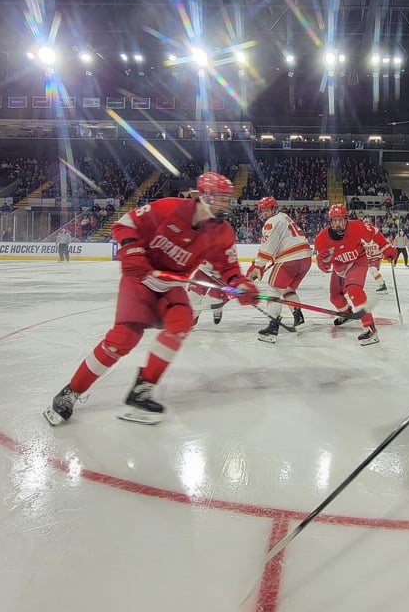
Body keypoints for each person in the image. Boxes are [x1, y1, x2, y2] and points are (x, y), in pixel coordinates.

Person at [43, 172, 259, 425]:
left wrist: (242, 285)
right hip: (140, 279)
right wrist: (133, 253)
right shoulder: (169, 208)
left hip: (170, 283)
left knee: (181, 323)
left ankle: (142, 390)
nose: (226, 204)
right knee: (124, 338)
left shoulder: (222, 233)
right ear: (204, 195)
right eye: (221, 199)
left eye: (227, 200)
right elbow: (124, 224)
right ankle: (71, 391)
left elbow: (229, 269)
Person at [313, 204, 397, 345]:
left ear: (346, 220)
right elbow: (323, 266)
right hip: (339, 268)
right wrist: (324, 262)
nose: (338, 224)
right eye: (335, 220)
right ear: (330, 221)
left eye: (341, 220)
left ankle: (370, 328)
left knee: (354, 290)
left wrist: (386, 248)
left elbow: (374, 233)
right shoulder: (322, 239)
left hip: (357, 262)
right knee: (335, 298)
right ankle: (347, 314)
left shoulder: (356, 227)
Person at [246, 196, 313, 343]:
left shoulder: (271, 222)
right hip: (306, 258)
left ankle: (272, 327)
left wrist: (257, 266)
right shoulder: (284, 217)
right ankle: (299, 319)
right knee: (287, 289)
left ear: (274, 209)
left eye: (266, 210)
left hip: (290, 259)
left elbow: (267, 248)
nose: (264, 213)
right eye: (262, 211)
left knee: (273, 289)